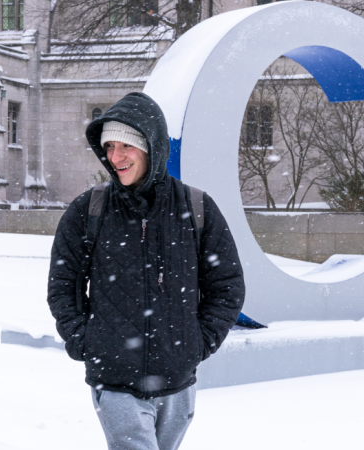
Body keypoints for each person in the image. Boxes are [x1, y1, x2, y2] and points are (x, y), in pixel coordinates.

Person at [47, 92, 245, 450]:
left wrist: (197, 344)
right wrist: (86, 342)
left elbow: (227, 286)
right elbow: (63, 284)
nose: (115, 157)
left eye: (126, 146)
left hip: (178, 380)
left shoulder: (196, 207)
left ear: (151, 147)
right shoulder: (88, 209)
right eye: (109, 146)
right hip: (115, 378)